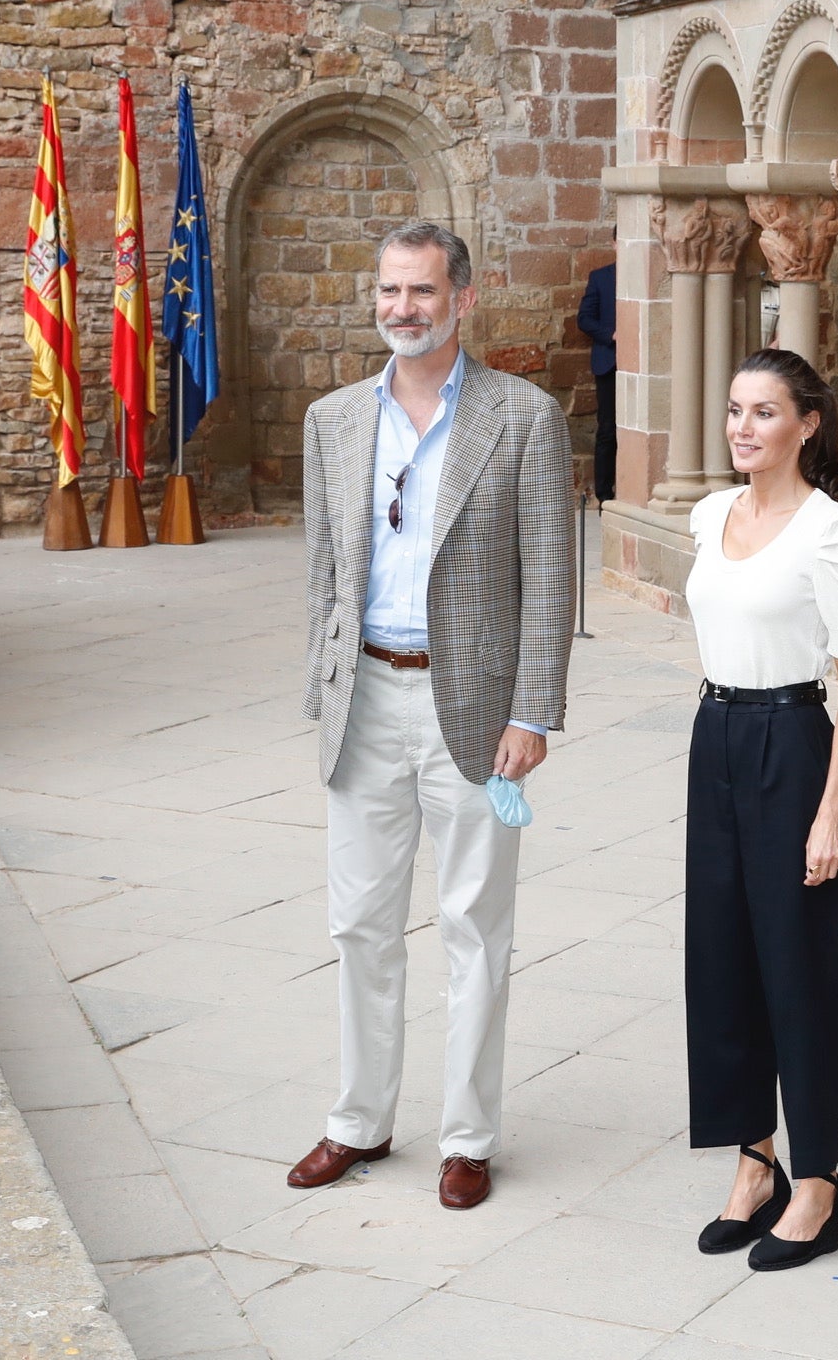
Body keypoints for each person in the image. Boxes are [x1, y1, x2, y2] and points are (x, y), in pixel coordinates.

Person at [291, 221, 574, 1211]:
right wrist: (321, 689)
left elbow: (551, 579)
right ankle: (358, 1121)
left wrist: (533, 711)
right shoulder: (332, 419)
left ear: (462, 297)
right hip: (364, 700)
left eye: (420, 291)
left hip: (477, 712)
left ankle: (467, 1135)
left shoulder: (523, 416)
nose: (401, 308)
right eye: (388, 291)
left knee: (473, 925)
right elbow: (325, 571)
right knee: (359, 922)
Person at [683, 348, 838, 1272]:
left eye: (764, 413)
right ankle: (753, 1160)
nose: (743, 428)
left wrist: (831, 809)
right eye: (734, 411)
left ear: (808, 424)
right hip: (714, 737)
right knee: (720, 959)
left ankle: (819, 1183)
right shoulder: (709, 513)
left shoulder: (833, 532)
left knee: (798, 971)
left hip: (792, 746)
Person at [578, 260, 617, 500]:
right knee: (608, 431)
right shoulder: (600, 276)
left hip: (644, 364)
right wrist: (611, 334)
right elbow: (584, 319)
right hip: (609, 363)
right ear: (614, 243)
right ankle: (604, 495)